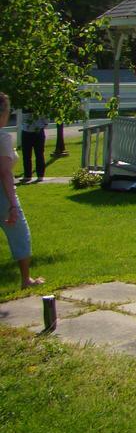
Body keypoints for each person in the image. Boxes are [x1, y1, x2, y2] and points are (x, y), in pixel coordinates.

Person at [0, 93, 44, 288]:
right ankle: (26, 279)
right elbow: (5, 172)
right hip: (2, 194)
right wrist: (12, 205)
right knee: (20, 233)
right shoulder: (2, 138)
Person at [20, 111, 47, 181]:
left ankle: (40, 175)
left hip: (37, 130)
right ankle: (27, 175)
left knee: (39, 154)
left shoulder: (40, 105)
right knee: (26, 155)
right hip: (26, 130)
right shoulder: (24, 104)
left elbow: (45, 118)